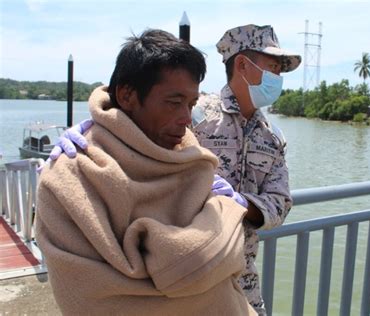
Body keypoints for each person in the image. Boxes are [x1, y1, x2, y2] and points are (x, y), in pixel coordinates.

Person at [50, 24, 301, 315]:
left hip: (242, 276)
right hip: (174, 276)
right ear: (243, 64)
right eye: (274, 67)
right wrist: (91, 131)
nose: (278, 78)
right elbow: (133, 129)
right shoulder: (193, 113)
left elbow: (280, 202)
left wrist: (239, 205)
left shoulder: (273, 137)